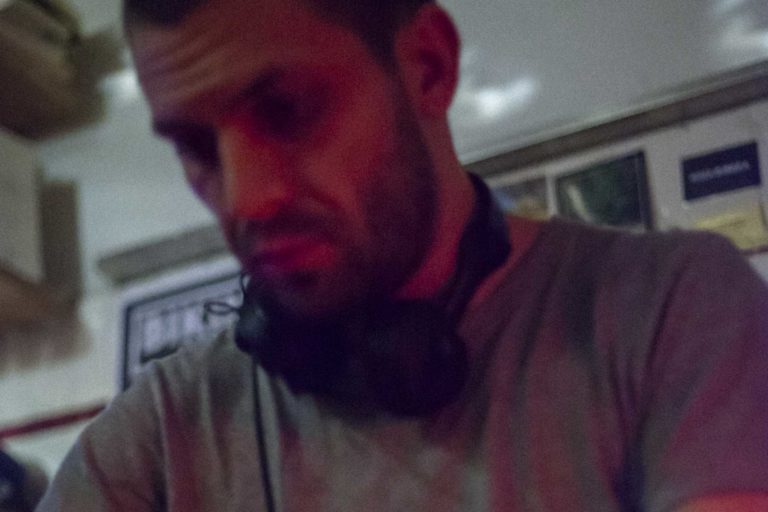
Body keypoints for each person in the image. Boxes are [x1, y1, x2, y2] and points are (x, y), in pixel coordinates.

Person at [38, 0, 768, 510]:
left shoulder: (676, 309)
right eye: (197, 147)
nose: (246, 198)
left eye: (288, 111)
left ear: (428, 67)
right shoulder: (155, 440)